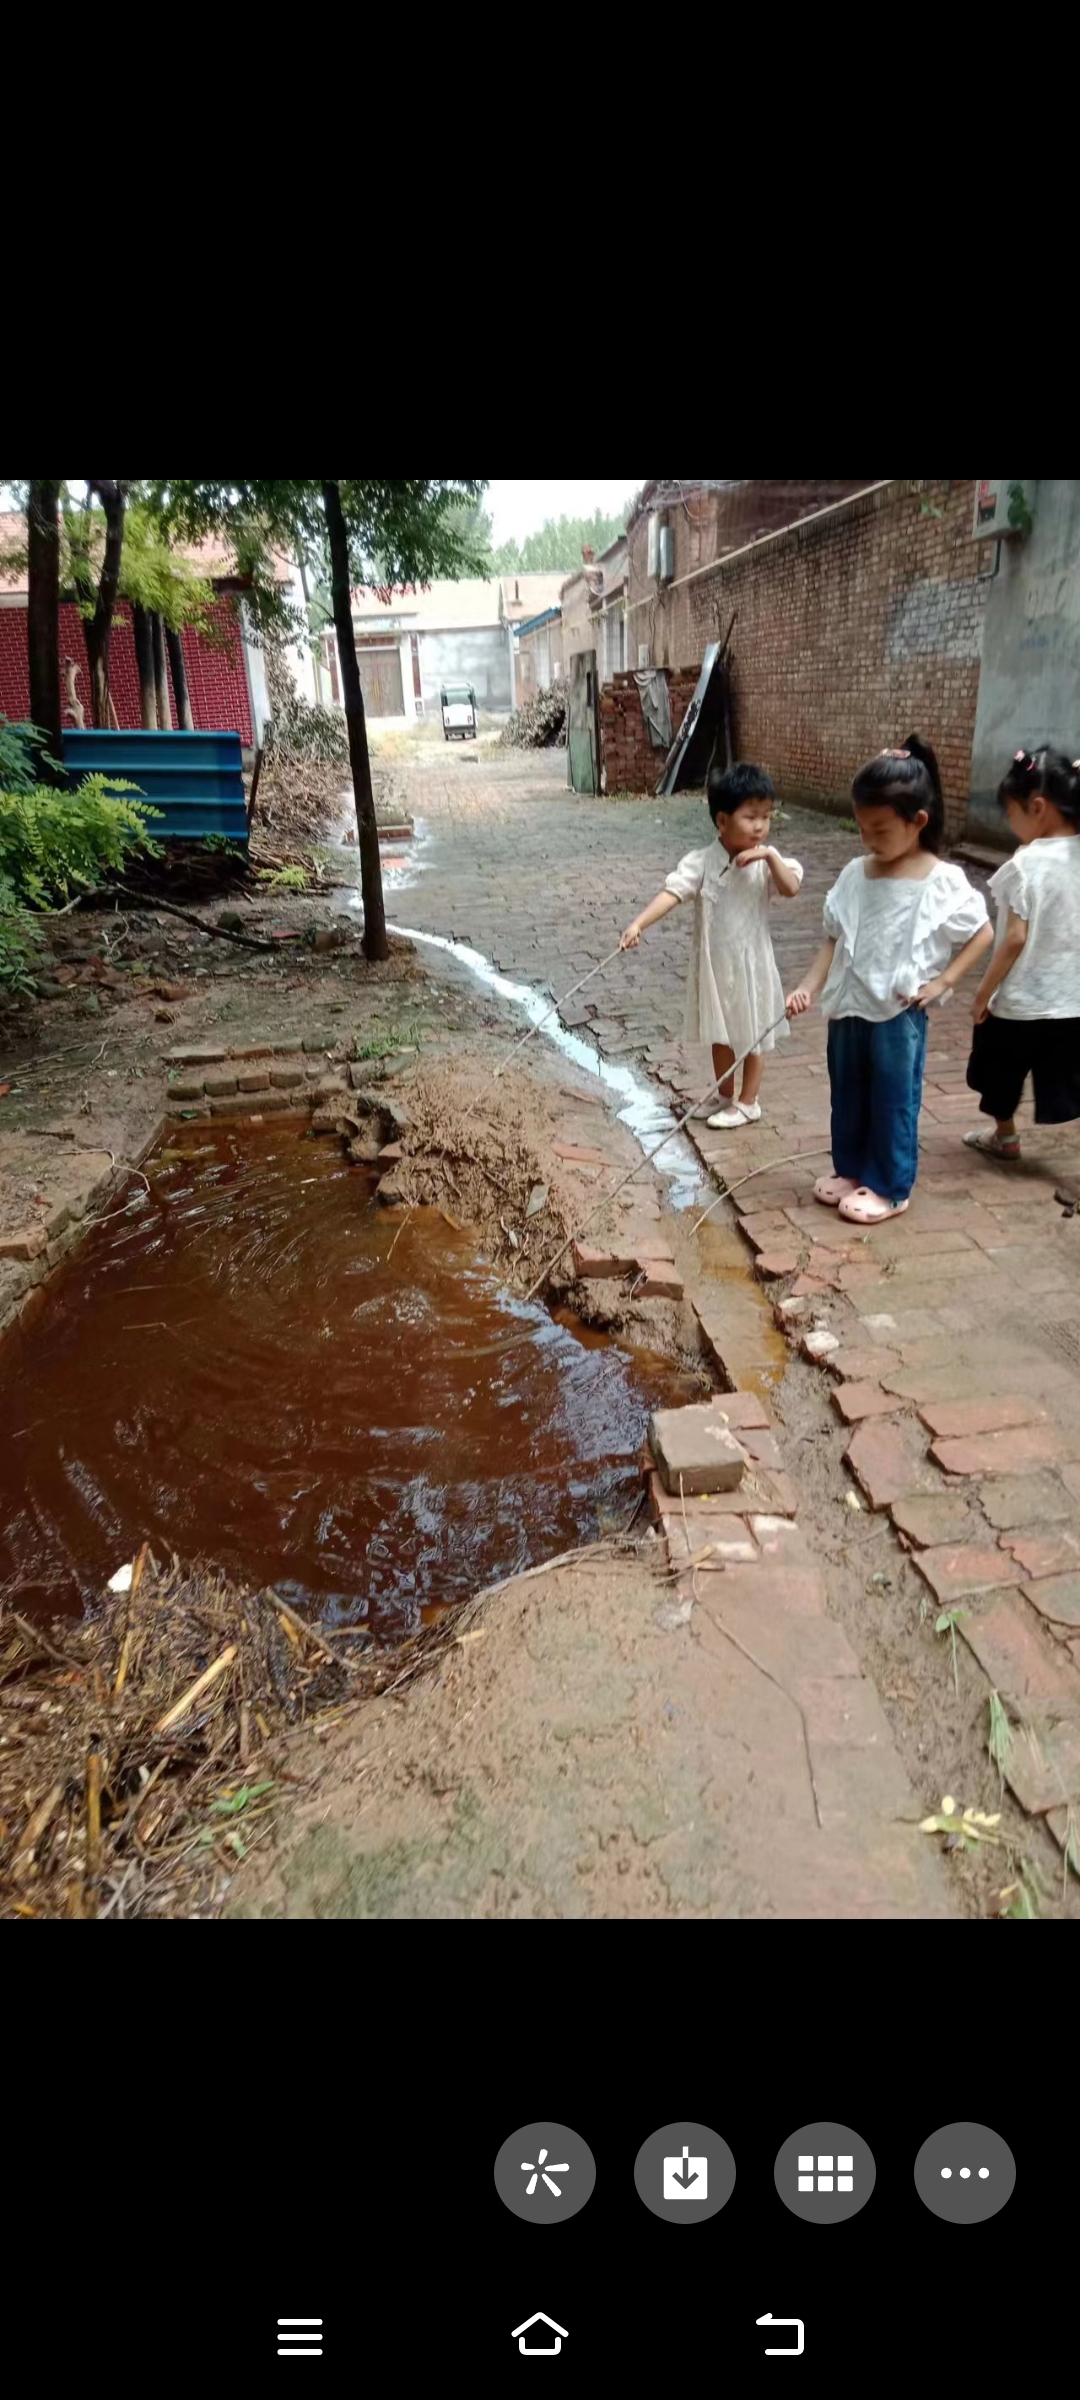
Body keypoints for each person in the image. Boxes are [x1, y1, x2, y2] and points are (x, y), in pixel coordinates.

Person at [786, 734, 991, 1224]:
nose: (868, 840)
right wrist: (809, 987)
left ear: (917, 822)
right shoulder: (857, 874)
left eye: (879, 830)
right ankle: (851, 1171)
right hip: (849, 1007)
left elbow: (982, 933)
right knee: (848, 1095)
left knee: (893, 1100)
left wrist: (944, 982)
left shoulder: (940, 881)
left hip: (898, 1012)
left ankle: (891, 1186)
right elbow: (834, 939)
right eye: (862, 828)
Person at [619, 762, 803, 1128]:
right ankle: (724, 1096)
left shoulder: (767, 862)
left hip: (753, 964)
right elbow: (672, 894)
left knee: (752, 1032)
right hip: (716, 965)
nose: (760, 826)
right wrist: (638, 923)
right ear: (722, 820)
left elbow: (791, 887)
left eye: (766, 817)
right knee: (721, 1034)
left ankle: (749, 1102)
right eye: (751, 817)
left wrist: (769, 855)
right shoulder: (702, 862)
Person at [964, 747, 1080, 1160]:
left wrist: (983, 993)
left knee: (998, 1074)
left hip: (1021, 1004)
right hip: (1072, 1003)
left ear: (1037, 807)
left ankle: (1005, 1137)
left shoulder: (1027, 863)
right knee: (1070, 1080)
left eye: (1011, 813)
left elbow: (1013, 938)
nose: (1011, 824)